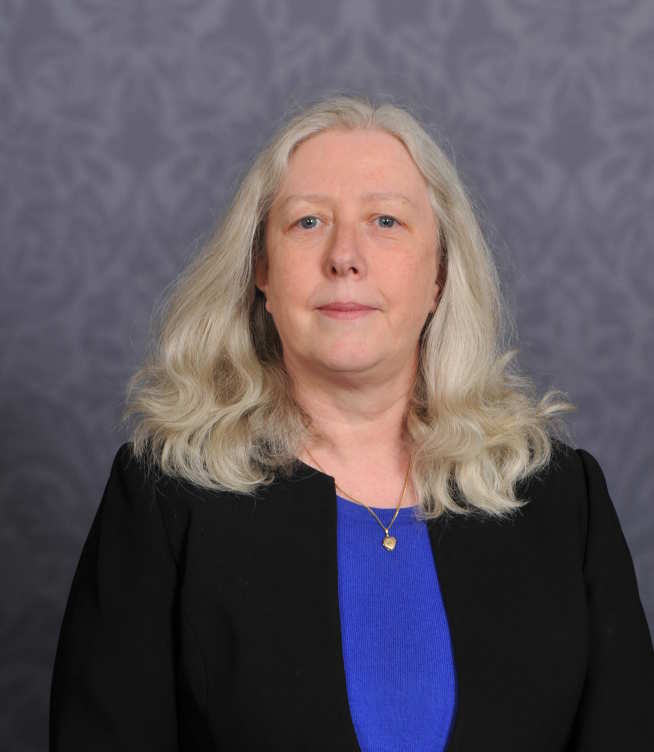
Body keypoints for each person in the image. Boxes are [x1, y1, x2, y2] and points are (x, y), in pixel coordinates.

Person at [49, 94, 654, 751]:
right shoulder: (164, 497)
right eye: (307, 221)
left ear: (440, 274)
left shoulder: (564, 500)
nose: (344, 256)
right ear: (261, 271)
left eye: (386, 221)